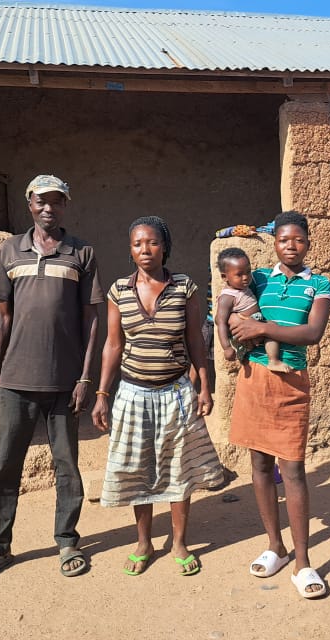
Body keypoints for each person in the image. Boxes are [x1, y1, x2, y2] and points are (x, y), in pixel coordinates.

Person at [0, 174, 102, 583]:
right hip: (15, 380)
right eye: (41, 201)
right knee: (7, 467)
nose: (48, 208)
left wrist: (85, 377)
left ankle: (67, 542)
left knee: (67, 467)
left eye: (56, 201)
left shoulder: (81, 252)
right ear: (29, 204)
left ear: (65, 205)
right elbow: (2, 316)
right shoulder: (10, 250)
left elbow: (91, 319)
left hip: (64, 383)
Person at [92, 216, 225, 577]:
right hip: (133, 394)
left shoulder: (184, 287)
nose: (145, 249)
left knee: (178, 469)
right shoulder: (119, 290)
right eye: (137, 243)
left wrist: (204, 385)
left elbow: (195, 340)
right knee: (140, 470)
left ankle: (179, 542)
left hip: (175, 392)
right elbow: (113, 344)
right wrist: (102, 393)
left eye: (152, 242)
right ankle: (144, 543)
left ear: (164, 247)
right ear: (130, 249)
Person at [228, 210, 330, 599]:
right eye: (283, 240)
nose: (291, 246)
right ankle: (275, 545)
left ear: (308, 243)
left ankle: (302, 562)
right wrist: (236, 329)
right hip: (254, 379)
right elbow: (231, 307)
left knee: (292, 470)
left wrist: (262, 328)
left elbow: (312, 332)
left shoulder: (319, 284)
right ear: (274, 243)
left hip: (290, 382)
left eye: (298, 240)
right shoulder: (257, 279)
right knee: (259, 465)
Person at [214, 247, 292, 373]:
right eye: (239, 274)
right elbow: (220, 322)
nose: (245, 277)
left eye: (248, 272)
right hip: (244, 329)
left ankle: (265, 358)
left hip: (254, 323)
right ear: (224, 277)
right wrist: (226, 348)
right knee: (271, 328)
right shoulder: (227, 297)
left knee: (270, 329)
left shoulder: (242, 287)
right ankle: (273, 360)